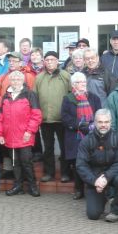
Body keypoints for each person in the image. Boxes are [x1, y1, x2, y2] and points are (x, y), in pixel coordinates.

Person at [75, 108, 118, 222]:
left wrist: (106, 177)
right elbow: (81, 165)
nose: (103, 125)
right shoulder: (86, 141)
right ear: (94, 123)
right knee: (93, 215)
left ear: (110, 122)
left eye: (106, 122)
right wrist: (94, 181)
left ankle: (116, 210)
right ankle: (103, 197)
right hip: (95, 176)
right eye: (100, 122)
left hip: (112, 174)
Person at [0, 70, 43, 197]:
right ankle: (18, 185)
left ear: (23, 81)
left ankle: (32, 186)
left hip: (25, 135)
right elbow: (0, 117)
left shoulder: (30, 94)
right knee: (14, 163)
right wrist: (0, 134)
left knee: (26, 161)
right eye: (13, 79)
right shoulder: (5, 96)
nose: (15, 81)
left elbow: (36, 115)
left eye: (18, 79)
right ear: (10, 81)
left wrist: (30, 131)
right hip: (9, 135)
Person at [61, 72, 102, 199]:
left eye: (83, 82)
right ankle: (79, 190)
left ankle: (92, 187)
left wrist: (92, 126)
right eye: (78, 82)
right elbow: (65, 117)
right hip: (75, 136)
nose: (82, 84)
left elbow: (99, 114)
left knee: (93, 161)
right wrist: (80, 125)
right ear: (73, 85)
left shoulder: (94, 97)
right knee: (79, 163)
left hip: (92, 135)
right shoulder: (68, 99)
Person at [35, 51, 72, 183]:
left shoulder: (65, 76)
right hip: (45, 119)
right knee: (48, 148)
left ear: (57, 61)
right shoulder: (39, 78)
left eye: (52, 59)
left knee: (64, 148)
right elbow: (35, 98)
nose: (50, 62)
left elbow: (71, 96)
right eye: (47, 60)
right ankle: (48, 173)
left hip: (62, 119)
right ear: (44, 62)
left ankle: (65, 173)